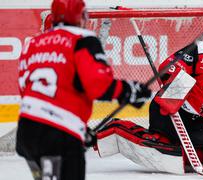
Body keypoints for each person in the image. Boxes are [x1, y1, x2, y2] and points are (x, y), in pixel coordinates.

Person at [95, 18, 203, 174]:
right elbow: (168, 67)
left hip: (198, 122)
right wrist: (175, 93)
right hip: (171, 111)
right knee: (161, 144)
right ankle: (115, 130)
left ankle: (173, 145)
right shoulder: (202, 50)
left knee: (198, 155)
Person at [15, 0, 151, 180]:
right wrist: (130, 91)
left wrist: (79, 128)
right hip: (59, 136)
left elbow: (27, 90)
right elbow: (98, 85)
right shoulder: (82, 40)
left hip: (27, 133)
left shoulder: (32, 43)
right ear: (81, 16)